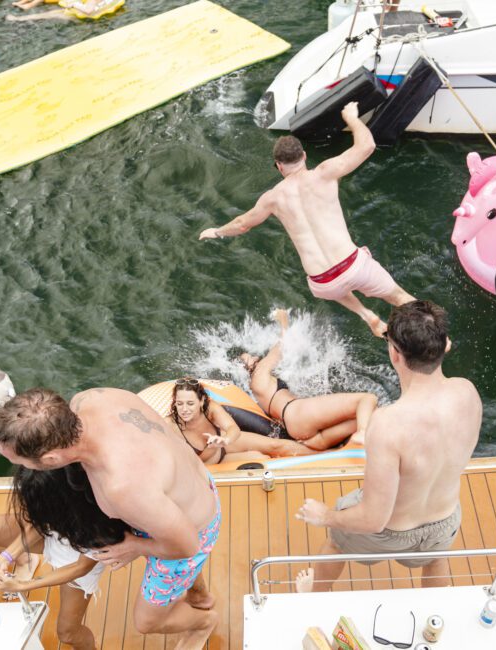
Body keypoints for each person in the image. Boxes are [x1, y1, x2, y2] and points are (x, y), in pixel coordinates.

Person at [0, 386, 220, 650]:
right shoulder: (93, 398)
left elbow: (187, 545)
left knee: (146, 622)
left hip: (194, 529)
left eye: (21, 463)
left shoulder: (122, 488)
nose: (22, 469)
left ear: (50, 459)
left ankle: (204, 622)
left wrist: (134, 546)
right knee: (160, 522)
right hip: (195, 485)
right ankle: (199, 594)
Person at [294, 300, 482, 590]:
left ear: (395, 354)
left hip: (390, 531)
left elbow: (373, 519)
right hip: (443, 523)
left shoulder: (388, 424)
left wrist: (325, 516)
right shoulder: (467, 393)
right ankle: (437, 613)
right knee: (435, 559)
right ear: (445, 346)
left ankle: (314, 592)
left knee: (335, 541)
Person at [199, 102, 415, 337]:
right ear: (304, 156)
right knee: (402, 298)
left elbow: (242, 224)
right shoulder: (324, 173)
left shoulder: (272, 198)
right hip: (354, 266)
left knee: (336, 285)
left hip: (323, 283)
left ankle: (367, 315)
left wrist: (216, 231)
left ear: (278, 166)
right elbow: (367, 145)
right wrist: (352, 118)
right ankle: (439, 338)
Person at [0, 464, 129, 650]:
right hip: (57, 535)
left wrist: (23, 586)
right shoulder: (52, 483)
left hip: (78, 557)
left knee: (68, 632)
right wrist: (4, 558)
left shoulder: (100, 521)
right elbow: (37, 524)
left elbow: (80, 568)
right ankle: (25, 561)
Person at [240, 309, 378, 451]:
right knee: (367, 399)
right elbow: (282, 345)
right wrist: (283, 321)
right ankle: (362, 434)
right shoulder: (259, 374)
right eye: (248, 358)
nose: (254, 357)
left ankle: (320, 442)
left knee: (371, 415)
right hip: (297, 412)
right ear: (249, 367)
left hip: (293, 424)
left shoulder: (257, 388)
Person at [168, 377, 313, 462]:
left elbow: (233, 429)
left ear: (201, 401)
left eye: (190, 403)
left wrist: (225, 440)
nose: (184, 409)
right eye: (180, 404)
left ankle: (323, 456)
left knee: (275, 446)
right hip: (215, 462)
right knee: (260, 458)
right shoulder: (172, 426)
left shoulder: (209, 408)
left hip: (225, 444)